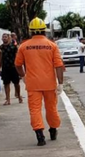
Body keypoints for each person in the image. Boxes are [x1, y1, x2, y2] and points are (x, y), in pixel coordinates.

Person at [15, 18, 65, 146]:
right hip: (49, 83)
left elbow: (17, 64)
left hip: (32, 84)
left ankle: (40, 136)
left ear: (31, 31)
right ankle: (53, 129)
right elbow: (58, 65)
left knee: (35, 110)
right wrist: (60, 83)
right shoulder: (52, 45)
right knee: (51, 108)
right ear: (44, 30)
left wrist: (23, 77)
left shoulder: (24, 46)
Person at [0, 34, 24, 105]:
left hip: (13, 67)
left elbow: (18, 56)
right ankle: (8, 99)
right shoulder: (0, 48)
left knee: (16, 83)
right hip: (5, 68)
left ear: (8, 38)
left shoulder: (14, 47)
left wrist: (19, 66)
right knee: (6, 84)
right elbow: (0, 59)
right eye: (3, 37)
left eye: (5, 37)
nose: (4, 38)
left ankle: (19, 96)